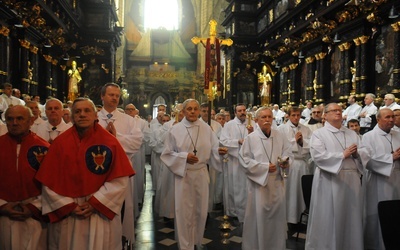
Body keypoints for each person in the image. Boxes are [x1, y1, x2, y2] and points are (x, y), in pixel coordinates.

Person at [36, 98, 134, 249]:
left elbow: (119, 180)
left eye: (87, 111)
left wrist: (96, 203)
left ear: (96, 115)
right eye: (77, 111)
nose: (82, 114)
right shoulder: (60, 143)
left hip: (99, 213)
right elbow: (49, 181)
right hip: (69, 213)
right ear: (72, 116)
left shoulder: (111, 143)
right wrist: (68, 205)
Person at [160, 99, 227, 250]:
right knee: (184, 211)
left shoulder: (206, 128)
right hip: (184, 174)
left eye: (195, 109)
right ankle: (185, 245)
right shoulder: (175, 130)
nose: (192, 111)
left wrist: (219, 152)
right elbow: (167, 154)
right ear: (183, 112)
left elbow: (214, 147)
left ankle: (196, 241)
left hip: (201, 173)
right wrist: (184, 158)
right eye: (189, 109)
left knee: (200, 211)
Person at [305, 103, 364, 249]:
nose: (338, 112)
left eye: (339, 110)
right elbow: (318, 157)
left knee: (351, 217)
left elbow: (364, 153)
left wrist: (357, 154)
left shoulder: (351, 133)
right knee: (329, 217)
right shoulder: (319, 134)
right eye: (334, 110)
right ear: (325, 115)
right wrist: (342, 155)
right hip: (330, 179)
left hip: (352, 179)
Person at [239, 107, 292, 250]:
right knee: (259, 217)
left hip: (277, 182)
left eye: (269, 117)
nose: (267, 120)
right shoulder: (250, 138)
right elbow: (244, 160)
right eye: (263, 117)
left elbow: (288, 152)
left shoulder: (279, 135)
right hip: (259, 185)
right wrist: (264, 167)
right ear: (256, 120)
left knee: (276, 217)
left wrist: (285, 162)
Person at [97, 83, 143, 243]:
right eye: (111, 95)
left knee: (122, 208)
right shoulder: (93, 118)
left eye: (117, 95)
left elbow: (136, 142)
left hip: (120, 171)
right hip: (96, 172)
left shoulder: (128, 120)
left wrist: (116, 138)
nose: (115, 98)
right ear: (102, 96)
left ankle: (122, 240)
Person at [0, 105, 49, 249]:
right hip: (3, 216)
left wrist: (34, 207)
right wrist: (2, 205)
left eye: (20, 118)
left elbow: (52, 186)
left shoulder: (44, 148)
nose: (14, 123)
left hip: (34, 217)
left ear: (31, 121)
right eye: (10, 119)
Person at [360, 108, 400, 249]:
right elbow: (367, 161)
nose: (391, 120)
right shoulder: (368, 137)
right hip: (379, 181)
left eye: (393, 117)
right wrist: (391, 157)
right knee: (379, 214)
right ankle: (377, 245)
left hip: (397, 179)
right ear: (378, 119)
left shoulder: (398, 134)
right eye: (387, 117)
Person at [220, 103, 255, 222]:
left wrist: (252, 133)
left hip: (248, 161)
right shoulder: (229, 125)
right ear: (235, 113)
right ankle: (233, 211)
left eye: (244, 110)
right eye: (239, 111)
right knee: (234, 186)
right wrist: (237, 142)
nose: (242, 112)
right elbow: (223, 141)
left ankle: (247, 210)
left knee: (246, 186)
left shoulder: (252, 124)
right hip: (234, 161)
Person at [278, 106, 312, 224]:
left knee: (301, 191)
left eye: (298, 115)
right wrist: (294, 140)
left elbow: (311, 144)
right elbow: (280, 146)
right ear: (288, 115)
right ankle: (289, 217)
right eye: (293, 115)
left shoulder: (306, 129)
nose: (296, 117)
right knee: (289, 191)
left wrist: (302, 142)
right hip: (289, 164)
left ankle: (301, 217)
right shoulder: (281, 129)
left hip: (301, 163)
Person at [199, 102, 223, 211]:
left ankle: (208, 209)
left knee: (211, 184)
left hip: (212, 158)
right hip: (200, 160)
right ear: (200, 111)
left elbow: (220, 140)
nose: (206, 113)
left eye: (208, 111)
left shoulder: (217, 125)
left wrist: (212, 133)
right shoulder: (197, 123)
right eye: (203, 111)